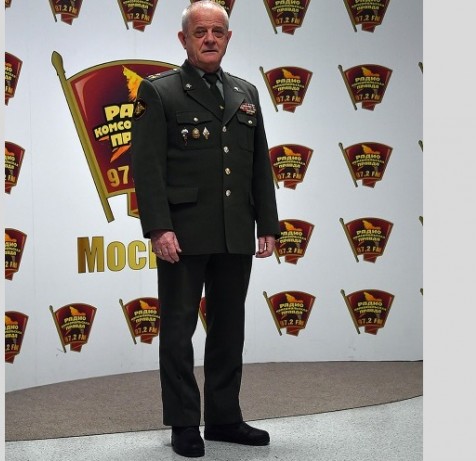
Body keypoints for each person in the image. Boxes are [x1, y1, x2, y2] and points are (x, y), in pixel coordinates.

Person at [130, 1, 280, 457]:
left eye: (217, 31)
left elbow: (258, 166)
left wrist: (267, 224)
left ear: (228, 38)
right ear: (184, 39)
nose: (210, 38)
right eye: (200, 32)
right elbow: (147, 168)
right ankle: (183, 423)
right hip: (183, 233)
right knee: (178, 332)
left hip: (235, 230)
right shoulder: (160, 92)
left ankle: (223, 418)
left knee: (229, 328)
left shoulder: (245, 92)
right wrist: (159, 228)